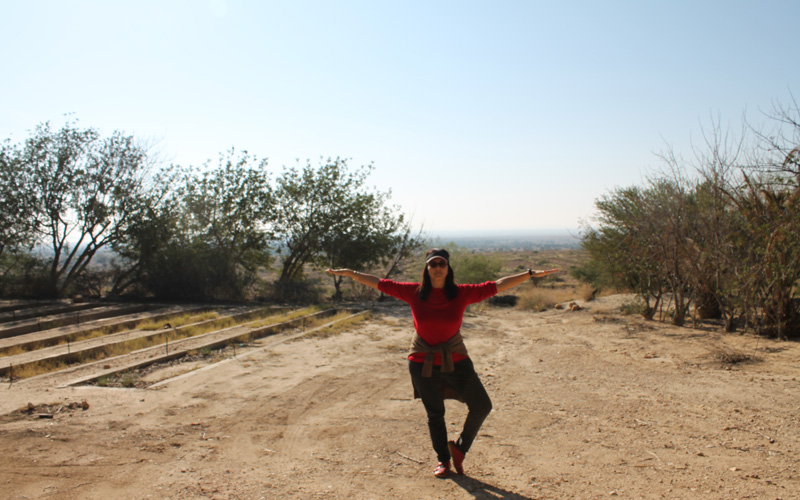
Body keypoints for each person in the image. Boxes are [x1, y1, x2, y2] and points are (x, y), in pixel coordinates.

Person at [326, 248, 559, 478]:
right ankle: (443, 460)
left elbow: (497, 285)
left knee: (482, 406)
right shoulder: (413, 292)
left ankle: (460, 449)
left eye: (442, 264)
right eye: (433, 264)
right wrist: (351, 273)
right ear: (426, 269)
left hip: (456, 359)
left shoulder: (461, 293)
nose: (437, 268)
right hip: (422, 361)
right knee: (435, 414)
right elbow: (380, 283)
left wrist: (529, 273)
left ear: (448, 268)